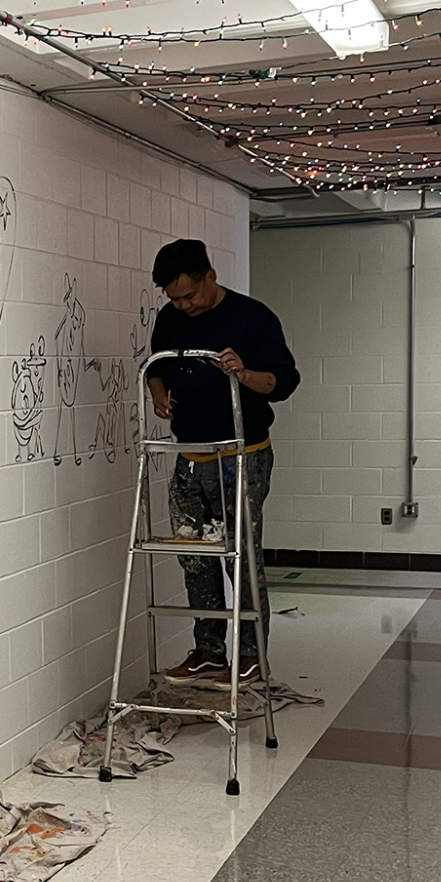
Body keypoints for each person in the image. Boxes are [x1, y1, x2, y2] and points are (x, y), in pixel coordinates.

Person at [146, 239, 300, 685]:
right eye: (174, 298)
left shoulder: (253, 318)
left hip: (242, 456)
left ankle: (251, 657)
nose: (183, 305)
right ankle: (209, 651)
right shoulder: (170, 318)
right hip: (190, 456)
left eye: (189, 295)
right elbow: (155, 367)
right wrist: (158, 393)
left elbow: (284, 382)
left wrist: (243, 373)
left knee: (241, 557)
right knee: (195, 557)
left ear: (210, 276)